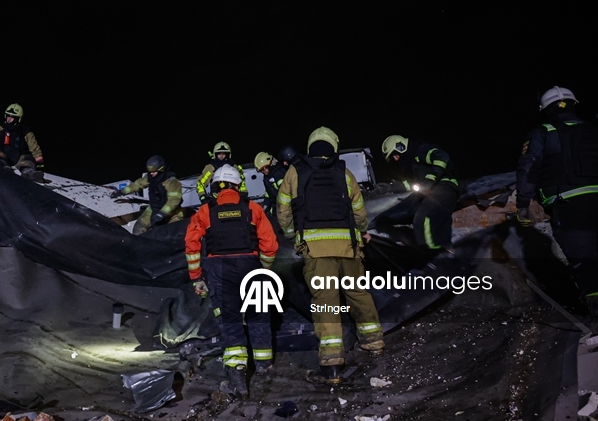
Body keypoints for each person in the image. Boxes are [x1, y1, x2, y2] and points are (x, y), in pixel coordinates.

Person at [278, 126, 384, 383]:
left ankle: (332, 364)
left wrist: (294, 236)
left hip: (317, 250)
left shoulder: (295, 172)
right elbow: (359, 211)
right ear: (333, 146)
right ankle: (374, 343)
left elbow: (283, 212)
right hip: (348, 248)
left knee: (326, 302)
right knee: (358, 293)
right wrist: (361, 233)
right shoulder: (344, 172)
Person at [515, 86, 598, 333]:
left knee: (581, 257)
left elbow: (529, 169)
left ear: (546, 110)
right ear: (573, 104)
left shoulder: (544, 133)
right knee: (594, 251)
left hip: (570, 201)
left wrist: (523, 204)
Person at [185, 165, 278, 397]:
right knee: (258, 314)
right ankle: (265, 365)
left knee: (230, 319)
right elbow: (271, 245)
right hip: (250, 265)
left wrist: (197, 278)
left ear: (215, 187)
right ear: (238, 185)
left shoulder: (205, 211)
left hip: (220, 269)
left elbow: (192, 245)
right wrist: (263, 269)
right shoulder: (253, 209)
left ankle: (238, 375)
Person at [379, 134, 460, 252]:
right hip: (439, 192)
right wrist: (389, 188)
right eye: (393, 157)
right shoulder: (412, 166)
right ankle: (446, 256)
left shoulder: (420, 151)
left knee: (422, 219)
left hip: (445, 185)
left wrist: (430, 179)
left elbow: (442, 156)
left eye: (395, 154)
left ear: (401, 147)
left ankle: (429, 256)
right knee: (439, 225)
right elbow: (411, 185)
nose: (396, 159)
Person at [111, 155, 183, 233]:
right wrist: (122, 191)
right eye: (150, 172)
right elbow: (137, 185)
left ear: (161, 169)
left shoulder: (172, 182)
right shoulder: (149, 178)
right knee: (139, 228)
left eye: (153, 172)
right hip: (153, 208)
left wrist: (162, 213)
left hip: (172, 213)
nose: (151, 174)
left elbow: (174, 201)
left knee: (170, 232)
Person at [0, 103, 45, 181]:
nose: (9, 119)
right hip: (0, 155)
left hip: (18, 158)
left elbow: (34, 147)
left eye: (12, 117)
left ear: (18, 119)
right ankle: (3, 168)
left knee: (28, 159)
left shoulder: (26, 132)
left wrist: (39, 161)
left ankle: (29, 172)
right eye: (8, 116)